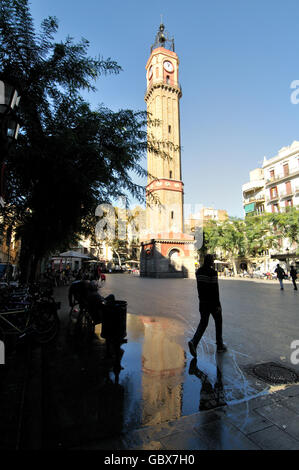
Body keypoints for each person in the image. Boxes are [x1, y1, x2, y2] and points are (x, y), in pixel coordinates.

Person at [188, 254, 227, 357]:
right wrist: (218, 304)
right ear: (210, 262)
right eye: (212, 260)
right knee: (218, 322)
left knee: (203, 323)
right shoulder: (213, 273)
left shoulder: (198, 272)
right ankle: (219, 345)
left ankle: (194, 342)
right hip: (213, 303)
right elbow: (215, 289)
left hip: (203, 302)